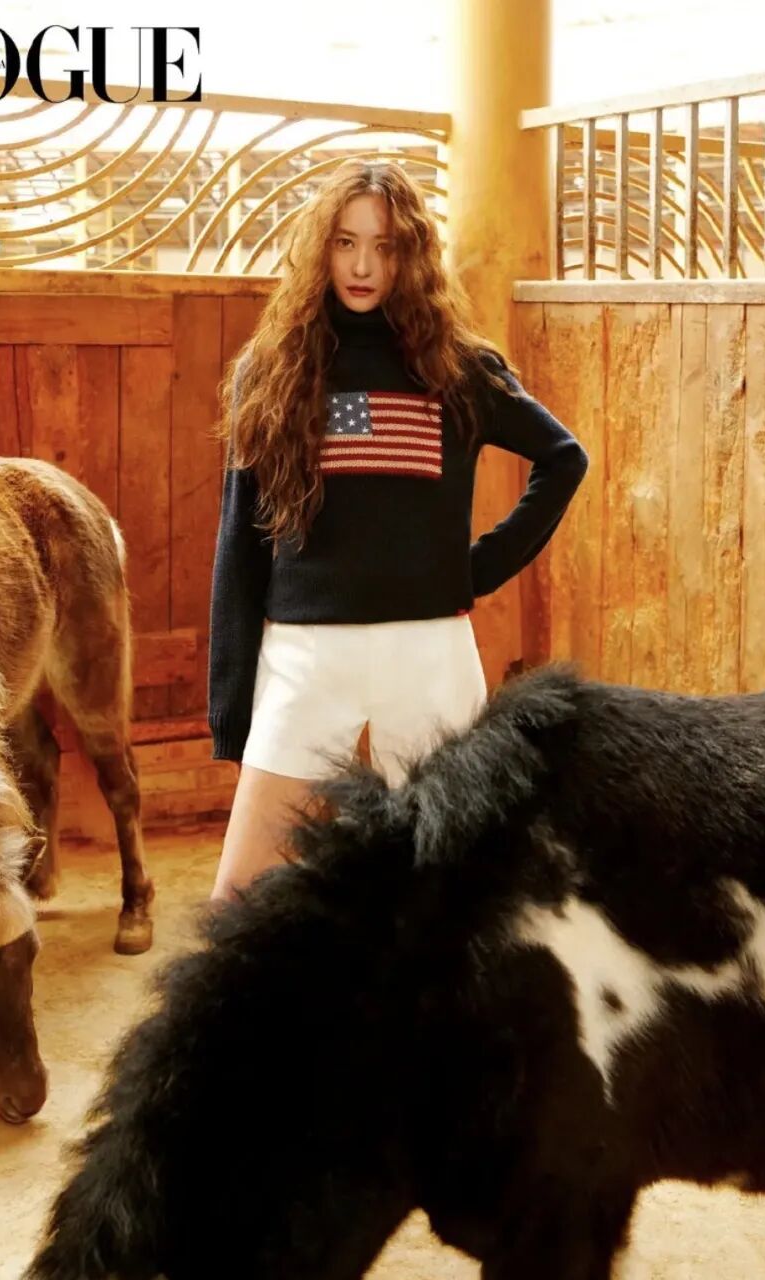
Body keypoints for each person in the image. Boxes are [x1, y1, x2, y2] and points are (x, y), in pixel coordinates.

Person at [207, 159, 588, 901]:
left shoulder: (457, 368)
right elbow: (240, 544)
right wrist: (231, 703)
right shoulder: (273, 370)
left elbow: (562, 459)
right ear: (321, 249)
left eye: (384, 247)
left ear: (409, 254)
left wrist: (474, 569)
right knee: (240, 894)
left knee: (451, 891)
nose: (363, 266)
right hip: (306, 657)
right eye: (346, 243)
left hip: (429, 656)